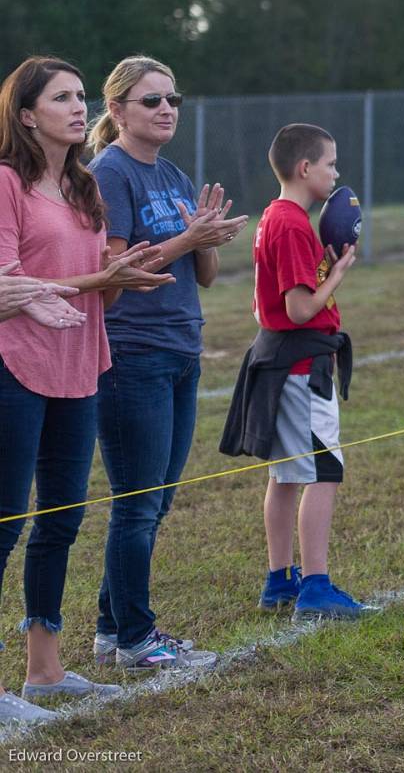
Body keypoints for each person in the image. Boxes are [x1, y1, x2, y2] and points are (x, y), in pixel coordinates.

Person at [0, 57, 174, 723]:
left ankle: (43, 673)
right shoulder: (8, 183)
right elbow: (9, 286)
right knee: (6, 524)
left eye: (80, 96)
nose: (79, 107)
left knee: (62, 521)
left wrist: (121, 272)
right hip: (15, 362)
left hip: (80, 363)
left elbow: (95, 271)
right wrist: (91, 285)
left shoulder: (82, 187)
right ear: (25, 114)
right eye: (61, 98)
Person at [87, 56, 243, 673]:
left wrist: (205, 238)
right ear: (119, 110)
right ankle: (136, 640)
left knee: (157, 500)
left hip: (181, 348)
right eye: (152, 101)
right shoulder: (109, 173)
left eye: (173, 98)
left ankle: (111, 629)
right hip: (133, 354)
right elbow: (114, 277)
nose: (167, 109)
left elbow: (200, 275)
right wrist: (187, 239)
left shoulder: (174, 174)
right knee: (137, 501)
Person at [219, 123, 373, 620]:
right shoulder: (290, 223)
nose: (336, 173)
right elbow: (302, 309)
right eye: (330, 163)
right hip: (301, 366)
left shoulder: (277, 217)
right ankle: (315, 586)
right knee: (323, 471)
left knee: (286, 474)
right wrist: (340, 276)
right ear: (305, 168)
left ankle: (279, 579)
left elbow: (271, 300)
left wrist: (324, 267)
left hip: (286, 359)